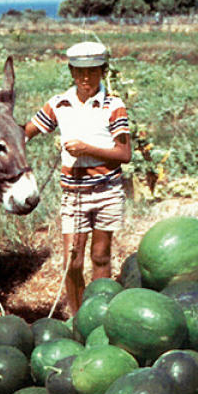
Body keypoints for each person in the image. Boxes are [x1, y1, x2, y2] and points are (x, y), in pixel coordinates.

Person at [24, 41, 131, 316]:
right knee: (72, 261)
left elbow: (124, 153)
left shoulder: (113, 106)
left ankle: (100, 315)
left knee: (100, 256)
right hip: (74, 194)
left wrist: (87, 149)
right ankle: (78, 316)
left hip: (107, 191)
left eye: (93, 72)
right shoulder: (59, 104)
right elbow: (26, 132)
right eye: (80, 72)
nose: (86, 78)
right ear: (72, 71)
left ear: (103, 71)